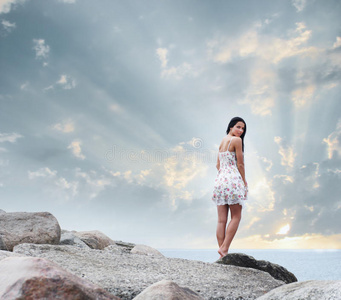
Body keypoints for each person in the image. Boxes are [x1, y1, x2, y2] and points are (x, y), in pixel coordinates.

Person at [212, 117, 248, 258]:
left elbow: (217, 165)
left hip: (220, 181)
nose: (241, 130)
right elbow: (240, 164)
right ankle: (225, 248)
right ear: (231, 126)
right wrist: (244, 182)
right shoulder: (236, 141)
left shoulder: (222, 141)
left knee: (221, 220)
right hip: (233, 180)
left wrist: (224, 176)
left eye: (243, 128)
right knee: (236, 216)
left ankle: (222, 253)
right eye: (238, 127)